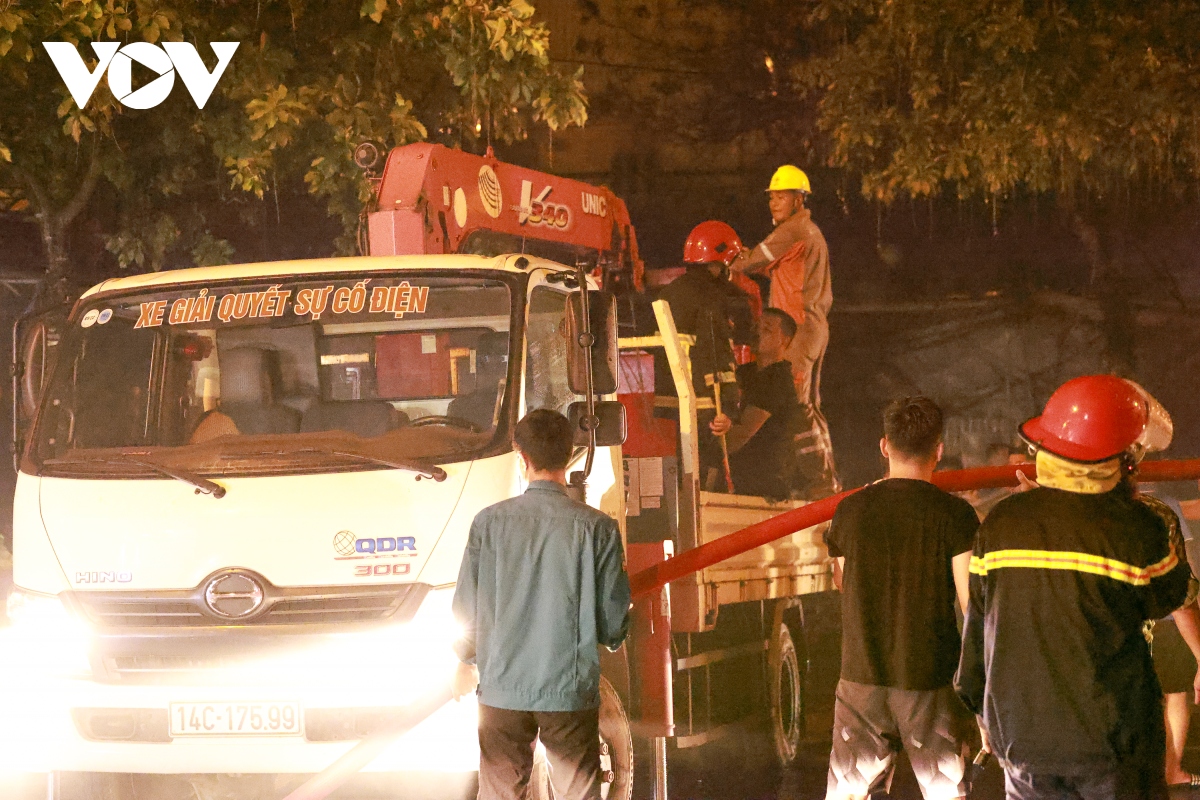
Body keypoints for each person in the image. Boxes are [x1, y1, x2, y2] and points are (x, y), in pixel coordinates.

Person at [956, 375, 1191, 800]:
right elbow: (1170, 595)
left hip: (1020, 735)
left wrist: (981, 705)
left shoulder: (1002, 521)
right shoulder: (1138, 529)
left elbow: (980, 624)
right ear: (1124, 460)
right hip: (1111, 742)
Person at [450, 409, 632, 800]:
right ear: (568, 458)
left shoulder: (488, 523)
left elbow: (466, 609)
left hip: (502, 691)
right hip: (567, 691)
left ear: (522, 458)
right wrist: (612, 637)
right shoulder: (597, 528)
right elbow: (612, 619)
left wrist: (465, 661)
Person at [823, 396, 979, 800]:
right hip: (928, 679)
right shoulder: (955, 515)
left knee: (851, 794)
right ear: (939, 450)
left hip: (860, 676)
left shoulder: (850, 511)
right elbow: (971, 605)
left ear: (884, 446)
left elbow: (841, 581)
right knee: (945, 793)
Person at [657, 220, 755, 489]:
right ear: (721, 260)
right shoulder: (714, 300)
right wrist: (730, 409)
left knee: (679, 483)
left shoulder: (669, 294)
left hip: (671, 407)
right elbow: (719, 357)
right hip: (705, 410)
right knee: (709, 485)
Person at [730, 164, 832, 409]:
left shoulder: (791, 230)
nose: (774, 203)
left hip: (797, 328)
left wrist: (728, 258)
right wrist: (752, 259)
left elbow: (746, 264)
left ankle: (796, 448)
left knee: (791, 402)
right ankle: (818, 447)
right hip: (814, 327)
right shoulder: (810, 231)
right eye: (772, 197)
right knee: (809, 404)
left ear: (798, 200)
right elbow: (776, 268)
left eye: (781, 197)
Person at [709, 308, 802, 500]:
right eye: (756, 327)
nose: (757, 333)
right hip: (740, 481)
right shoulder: (746, 374)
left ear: (784, 340)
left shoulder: (777, 380)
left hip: (763, 490)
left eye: (767, 329)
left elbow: (739, 435)